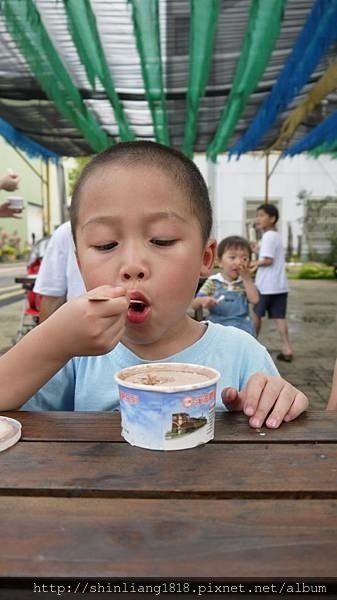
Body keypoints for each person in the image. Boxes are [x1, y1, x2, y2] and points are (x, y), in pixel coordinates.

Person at [0, 141, 308, 428]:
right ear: (79, 264)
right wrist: (52, 342)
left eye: (162, 240)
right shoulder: (74, 355)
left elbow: (276, 421)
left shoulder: (242, 353)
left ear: (205, 258)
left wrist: (276, 399)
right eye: (106, 245)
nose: (133, 265)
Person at [191, 235, 259, 336]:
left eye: (244, 258)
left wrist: (247, 279)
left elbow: (255, 300)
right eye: (232, 257)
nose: (238, 262)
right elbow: (194, 304)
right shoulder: (213, 281)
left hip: (241, 328)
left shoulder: (244, 282)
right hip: (217, 327)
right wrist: (203, 300)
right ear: (219, 262)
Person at [251, 203, 293, 362]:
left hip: (266, 286)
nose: (258, 218)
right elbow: (268, 255)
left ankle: (252, 346)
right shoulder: (275, 235)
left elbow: (267, 260)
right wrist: (257, 250)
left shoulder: (268, 236)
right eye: (258, 215)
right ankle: (287, 348)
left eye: (262, 215)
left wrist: (253, 264)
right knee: (279, 317)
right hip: (280, 286)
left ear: (272, 218)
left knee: (256, 314)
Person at [33, 221, 86, 322]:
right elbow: (52, 297)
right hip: (80, 329)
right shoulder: (67, 231)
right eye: (105, 246)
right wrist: (45, 337)